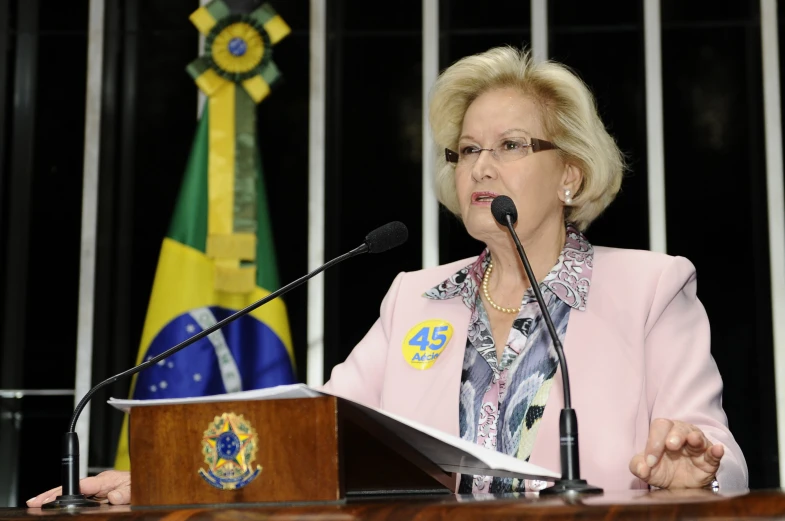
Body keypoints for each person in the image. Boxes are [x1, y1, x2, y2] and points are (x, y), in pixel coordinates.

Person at [27, 46, 747, 507]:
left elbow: (719, 454)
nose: (480, 167)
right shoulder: (416, 297)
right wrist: (161, 480)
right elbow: (312, 436)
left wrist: (697, 469)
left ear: (569, 172)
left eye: (509, 145)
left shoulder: (649, 287)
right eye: (466, 150)